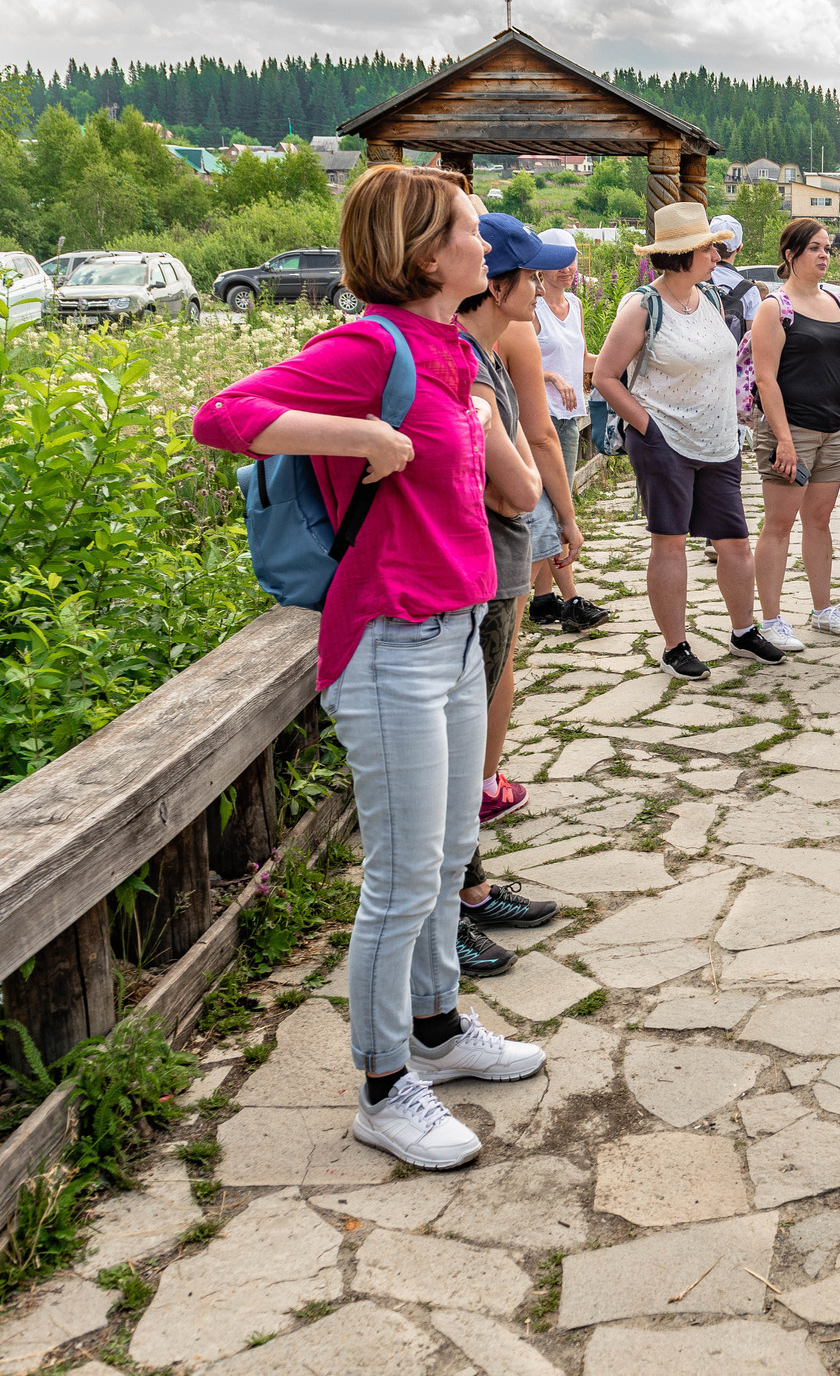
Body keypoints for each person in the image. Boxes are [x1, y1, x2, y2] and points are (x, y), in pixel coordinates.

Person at [194, 163, 542, 1171]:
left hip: (452, 628)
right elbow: (221, 416)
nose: (486, 245)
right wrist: (362, 435)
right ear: (426, 254)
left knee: (441, 859)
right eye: (472, 232)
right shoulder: (371, 344)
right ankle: (385, 1086)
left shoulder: (447, 349)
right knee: (398, 875)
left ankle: (437, 1025)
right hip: (388, 638)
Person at [592, 201, 783, 680]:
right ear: (681, 254)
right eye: (708, 248)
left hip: (718, 440)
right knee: (670, 542)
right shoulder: (643, 305)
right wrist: (647, 427)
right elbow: (606, 375)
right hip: (665, 440)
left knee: (735, 542)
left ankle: (743, 631)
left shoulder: (712, 300)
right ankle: (675, 647)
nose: (717, 255)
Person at [452, 212, 572, 968]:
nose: (539, 284)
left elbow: (518, 478)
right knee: (462, 745)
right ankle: (453, 910)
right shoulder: (465, 357)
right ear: (495, 283)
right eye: (529, 274)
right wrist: (529, 486)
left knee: (474, 728)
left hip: (496, 568)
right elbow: (509, 486)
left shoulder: (487, 349)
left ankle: (470, 888)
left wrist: (524, 484)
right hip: (479, 572)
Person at [750, 217, 840, 648]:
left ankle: (822, 609)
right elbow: (765, 379)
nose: (824, 255)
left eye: (827, 248)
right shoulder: (774, 307)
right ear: (791, 255)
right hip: (791, 433)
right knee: (779, 525)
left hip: (831, 429)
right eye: (814, 249)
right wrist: (783, 439)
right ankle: (770, 619)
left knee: (819, 522)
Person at [527, 248, 609, 634]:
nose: (567, 270)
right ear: (538, 268)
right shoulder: (531, 305)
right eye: (558, 263)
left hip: (568, 417)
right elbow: (517, 360)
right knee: (555, 506)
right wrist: (551, 378)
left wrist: (620, 357)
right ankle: (570, 598)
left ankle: (544, 601)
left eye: (571, 261)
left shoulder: (574, 304)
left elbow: (581, 358)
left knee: (551, 504)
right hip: (540, 415)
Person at [694, 216, 762, 568]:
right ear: (738, 248)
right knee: (725, 460)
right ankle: (715, 534)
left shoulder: (695, 284)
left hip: (694, 380)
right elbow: (753, 347)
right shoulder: (748, 291)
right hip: (730, 384)